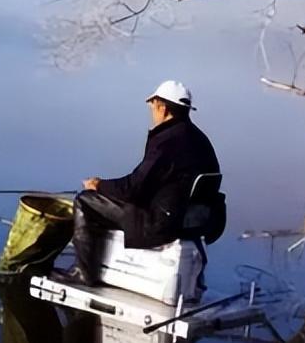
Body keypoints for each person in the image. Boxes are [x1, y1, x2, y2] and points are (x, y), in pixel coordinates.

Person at [62, 80, 220, 286]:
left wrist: (99, 186)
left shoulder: (166, 141)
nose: (152, 112)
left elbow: (133, 188)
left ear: (162, 107)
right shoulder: (200, 139)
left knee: (85, 201)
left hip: (160, 223)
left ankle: (83, 273)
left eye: (152, 106)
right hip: (193, 222)